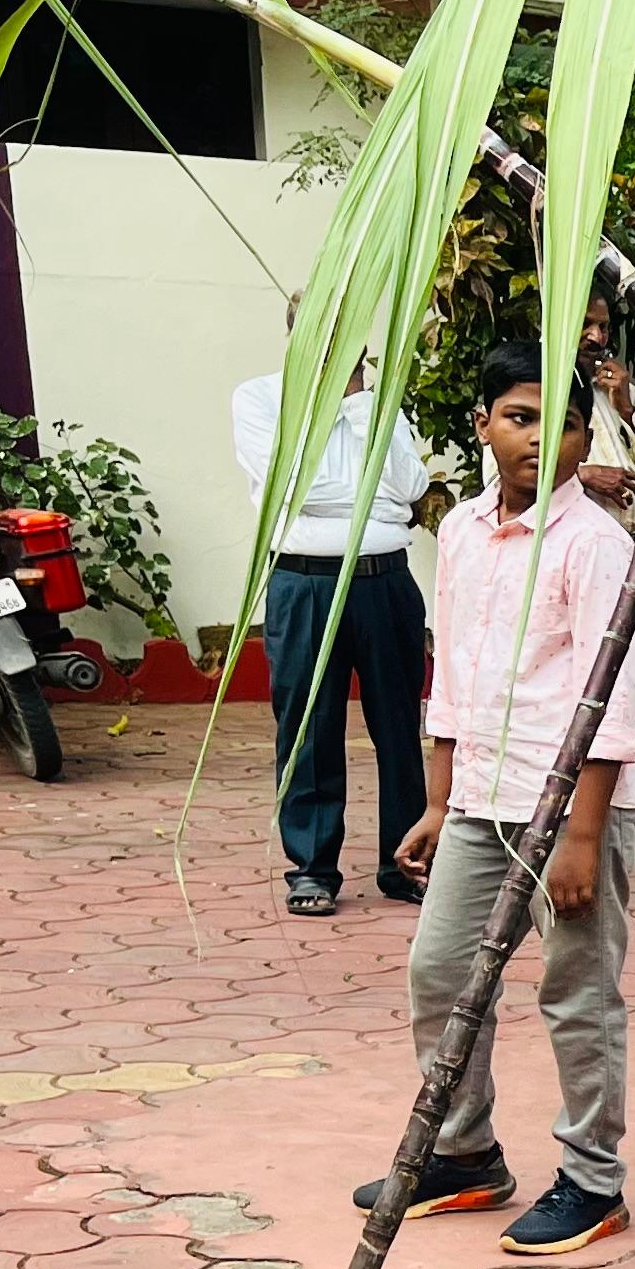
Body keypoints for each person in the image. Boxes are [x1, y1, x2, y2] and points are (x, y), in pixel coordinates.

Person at [355, 349, 635, 1259]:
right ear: (483, 425)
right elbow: (454, 675)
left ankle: (593, 1179)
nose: (538, 440)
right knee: (439, 972)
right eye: (518, 418)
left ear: (582, 438)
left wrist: (582, 833)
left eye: (560, 424)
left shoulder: (595, 543)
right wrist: (441, 802)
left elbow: (614, 693)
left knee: (577, 993)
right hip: (483, 801)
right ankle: (464, 1151)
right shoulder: (465, 534)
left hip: (570, 807)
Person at [234, 329, 434, 917]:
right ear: (297, 331)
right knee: (308, 726)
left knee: (399, 725)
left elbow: (411, 486)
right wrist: (363, 481)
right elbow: (296, 487)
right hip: (306, 579)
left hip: (384, 578)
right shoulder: (262, 398)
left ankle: (405, 862)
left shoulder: (381, 402)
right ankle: (312, 868)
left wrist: (359, 406)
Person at [573, 288, 635, 520]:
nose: (596, 337)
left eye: (603, 327)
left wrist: (627, 411)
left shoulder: (619, 389)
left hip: (631, 546)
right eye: (585, 324)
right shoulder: (531, 389)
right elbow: (500, 481)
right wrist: (581, 475)